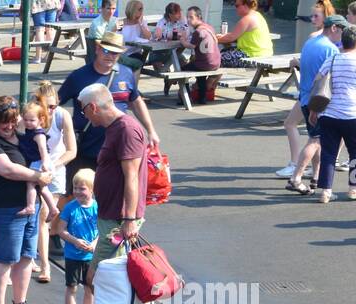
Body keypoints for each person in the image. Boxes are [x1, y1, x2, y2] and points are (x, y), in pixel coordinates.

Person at [77, 83, 148, 304]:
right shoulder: (115, 129)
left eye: (84, 112)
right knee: (120, 276)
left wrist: (129, 219)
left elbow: (132, 177)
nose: (85, 118)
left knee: (98, 278)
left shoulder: (127, 130)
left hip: (119, 220)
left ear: (93, 107)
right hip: (113, 215)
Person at [0, 96, 55, 304]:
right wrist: (39, 176)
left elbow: (41, 148)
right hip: (4, 209)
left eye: (13, 121)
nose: (10, 127)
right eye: (4, 122)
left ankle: (19, 302)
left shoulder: (21, 139)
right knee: (5, 259)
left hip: (30, 206)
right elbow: (8, 170)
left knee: (26, 257)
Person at [58, 32, 160, 189]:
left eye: (116, 53)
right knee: (77, 196)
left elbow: (136, 101)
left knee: (113, 194)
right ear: (98, 49)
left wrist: (151, 130)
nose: (110, 56)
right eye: (107, 51)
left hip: (117, 150)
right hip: (86, 149)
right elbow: (55, 103)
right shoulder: (78, 76)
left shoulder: (126, 73)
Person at [313, 25, 356, 201]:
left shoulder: (333, 59)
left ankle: (326, 191)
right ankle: (354, 189)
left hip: (328, 113)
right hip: (352, 114)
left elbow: (318, 80)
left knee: (328, 152)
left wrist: (314, 110)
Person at [278, 1, 336, 175]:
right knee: (312, 133)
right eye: (312, 15)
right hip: (312, 93)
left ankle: (297, 166)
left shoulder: (317, 39)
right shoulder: (324, 39)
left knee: (300, 129)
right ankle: (313, 171)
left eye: (316, 16)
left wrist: (298, 62)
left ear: (326, 18)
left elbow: (316, 69)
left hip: (312, 94)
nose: (312, 18)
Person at [32, 80, 77, 282]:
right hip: (33, 167)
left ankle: (35, 257)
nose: (49, 110)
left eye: (53, 106)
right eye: (45, 106)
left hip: (55, 168)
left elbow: (71, 150)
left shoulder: (62, 115)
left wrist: (54, 165)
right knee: (39, 216)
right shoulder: (30, 115)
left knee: (44, 217)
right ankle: (44, 265)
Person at [54, 169, 102, 304]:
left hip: (91, 255)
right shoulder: (70, 207)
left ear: (92, 189)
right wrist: (75, 241)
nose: (77, 192)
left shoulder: (97, 207)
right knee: (72, 287)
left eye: (82, 188)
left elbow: (102, 230)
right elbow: (60, 230)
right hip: (73, 255)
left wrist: (95, 244)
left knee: (90, 287)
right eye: (75, 187)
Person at [181, 6, 223, 103]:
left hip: (205, 64)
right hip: (216, 63)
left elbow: (190, 46)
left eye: (191, 17)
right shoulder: (209, 27)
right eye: (187, 17)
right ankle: (202, 98)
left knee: (182, 70)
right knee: (200, 73)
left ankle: (185, 96)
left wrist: (182, 40)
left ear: (199, 17)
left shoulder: (197, 31)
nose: (188, 19)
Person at [217, 0, 273, 68]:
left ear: (246, 5)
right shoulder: (257, 15)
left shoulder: (247, 19)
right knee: (223, 52)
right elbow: (236, 34)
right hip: (265, 54)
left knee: (214, 59)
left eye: (237, 6)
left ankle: (208, 78)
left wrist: (212, 38)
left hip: (252, 56)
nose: (235, 8)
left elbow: (231, 37)